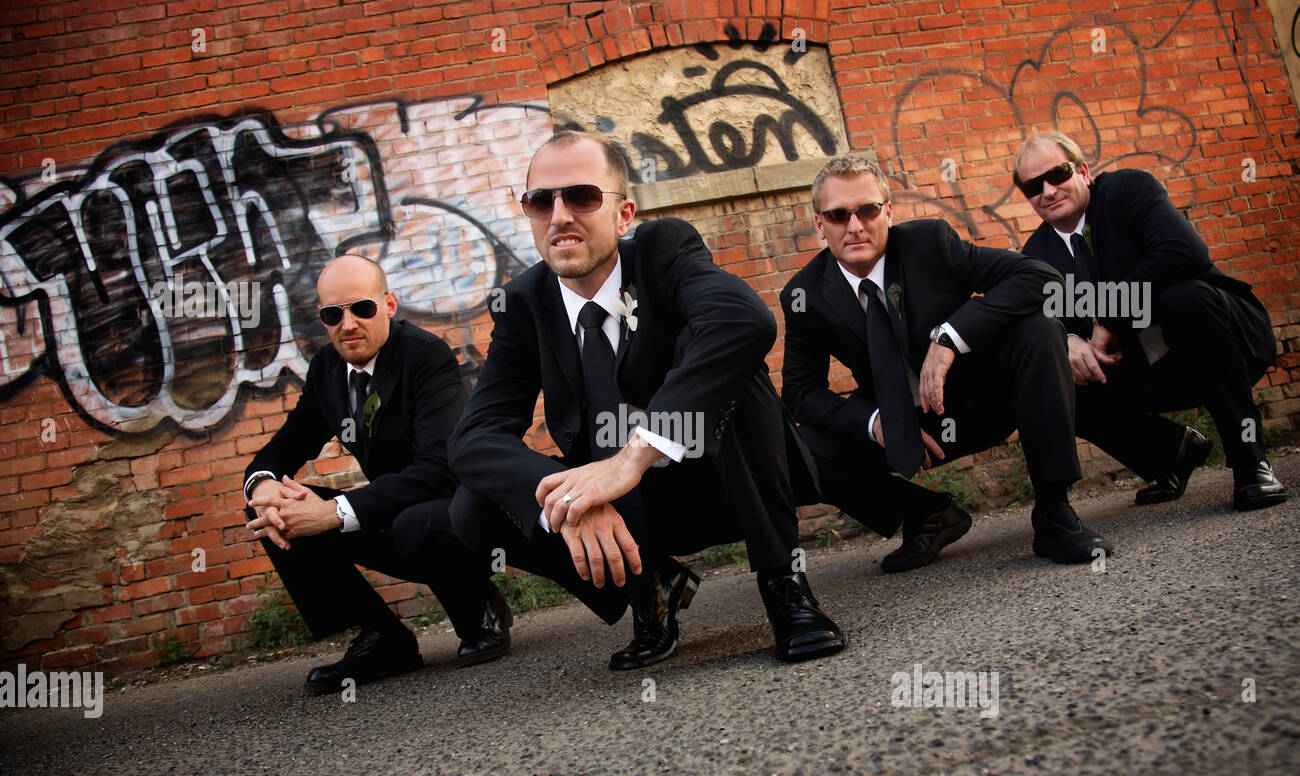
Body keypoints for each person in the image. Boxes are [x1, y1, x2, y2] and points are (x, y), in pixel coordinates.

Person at [448, 130, 845, 669]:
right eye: (541, 201)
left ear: (623, 214)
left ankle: (784, 583)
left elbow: (743, 321)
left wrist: (635, 456)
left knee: (734, 367)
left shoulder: (663, 253)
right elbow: (473, 438)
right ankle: (649, 584)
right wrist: (566, 507)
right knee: (474, 505)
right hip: (623, 510)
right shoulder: (523, 303)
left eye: (582, 197)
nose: (560, 215)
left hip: (717, 483)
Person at [780, 154, 1111, 569]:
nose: (855, 226)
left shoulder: (928, 243)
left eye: (866, 210)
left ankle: (1054, 513)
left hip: (983, 401)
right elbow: (799, 392)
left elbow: (1040, 278)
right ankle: (927, 514)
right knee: (801, 447)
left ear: (888, 211)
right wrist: (875, 421)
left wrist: (949, 337)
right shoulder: (805, 295)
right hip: (904, 429)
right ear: (818, 223)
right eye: (837, 215)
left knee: (1040, 329)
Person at [243, 254, 510, 693]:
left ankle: (481, 608)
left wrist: (333, 513)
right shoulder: (327, 370)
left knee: (414, 521)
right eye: (333, 314)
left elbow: (438, 471)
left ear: (389, 304)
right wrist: (264, 485)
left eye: (361, 309)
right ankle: (382, 638)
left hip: (457, 515)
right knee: (272, 509)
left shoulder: (425, 357)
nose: (348, 325)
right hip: (385, 511)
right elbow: (284, 447)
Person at [1015, 131, 1285, 510]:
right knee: (1052, 373)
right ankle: (1169, 455)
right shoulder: (1036, 256)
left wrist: (1109, 317)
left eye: (1057, 175)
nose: (1048, 190)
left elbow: (1183, 252)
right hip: (1139, 374)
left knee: (1185, 297)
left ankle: (1250, 460)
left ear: (1083, 171)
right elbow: (1040, 319)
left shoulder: (1127, 190)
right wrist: (1066, 342)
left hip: (1217, 344)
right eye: (1032, 186)